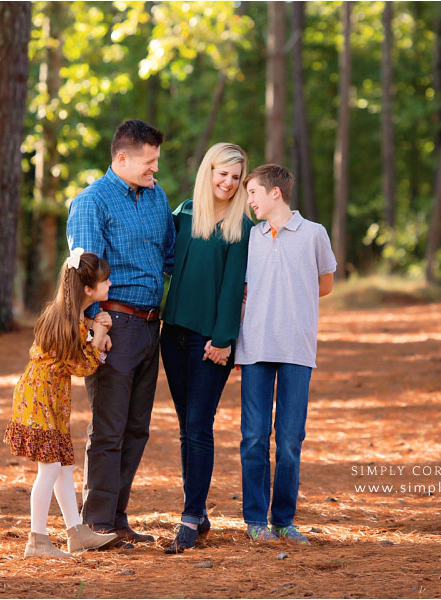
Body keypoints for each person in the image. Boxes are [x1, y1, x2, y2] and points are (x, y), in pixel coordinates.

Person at [66, 119, 175, 544]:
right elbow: (83, 271)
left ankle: (117, 517)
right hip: (113, 324)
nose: (155, 170)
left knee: (136, 428)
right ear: (122, 158)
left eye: (157, 162)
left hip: (150, 326)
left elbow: (168, 256)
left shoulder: (156, 196)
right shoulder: (92, 202)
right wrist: (96, 323)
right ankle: (96, 524)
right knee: (108, 427)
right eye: (149, 163)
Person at [235, 164, 336, 545]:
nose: (250, 201)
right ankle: (255, 520)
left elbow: (324, 284)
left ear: (275, 193)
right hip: (255, 347)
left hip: (296, 348)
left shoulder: (314, 234)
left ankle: (283, 519)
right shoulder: (251, 237)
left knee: (290, 439)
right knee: (254, 437)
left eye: (253, 193)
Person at [159, 143, 253, 553]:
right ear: (207, 172)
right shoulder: (182, 214)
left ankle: (189, 517)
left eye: (236, 177)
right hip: (172, 334)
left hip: (209, 341)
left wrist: (223, 340)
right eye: (222, 174)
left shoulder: (241, 228)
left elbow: (234, 288)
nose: (228, 183)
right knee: (186, 429)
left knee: (199, 426)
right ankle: (198, 512)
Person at [3, 250, 120, 558]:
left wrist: (96, 333)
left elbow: (77, 355)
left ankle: (76, 532)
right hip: (40, 399)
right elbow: (81, 367)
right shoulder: (69, 322)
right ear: (87, 290)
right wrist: (101, 334)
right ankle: (37, 539)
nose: (109, 284)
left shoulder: (69, 317)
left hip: (49, 398)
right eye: (104, 281)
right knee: (51, 468)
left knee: (64, 467)